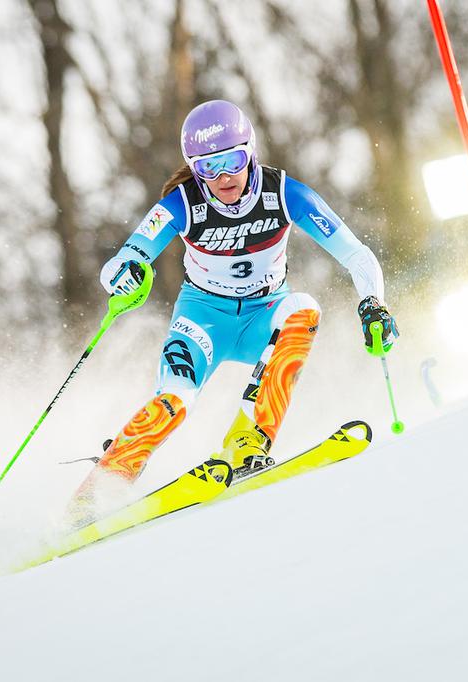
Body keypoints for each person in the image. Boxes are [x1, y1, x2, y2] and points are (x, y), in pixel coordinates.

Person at [68, 100, 398, 519]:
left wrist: (374, 304)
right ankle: (96, 491)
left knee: (304, 309)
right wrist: (127, 271)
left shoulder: (284, 193)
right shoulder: (183, 204)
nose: (223, 176)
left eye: (233, 161)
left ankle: (248, 442)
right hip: (203, 318)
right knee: (174, 401)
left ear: (251, 152)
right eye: (208, 167)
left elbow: (357, 255)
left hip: (265, 313)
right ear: (194, 167)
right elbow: (122, 260)